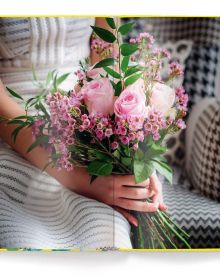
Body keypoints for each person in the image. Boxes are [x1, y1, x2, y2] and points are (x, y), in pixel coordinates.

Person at [0, 17, 167, 249]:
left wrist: (135, 155)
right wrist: (82, 181)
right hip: (13, 135)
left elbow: (107, 59)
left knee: (109, 243)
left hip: (87, 129)